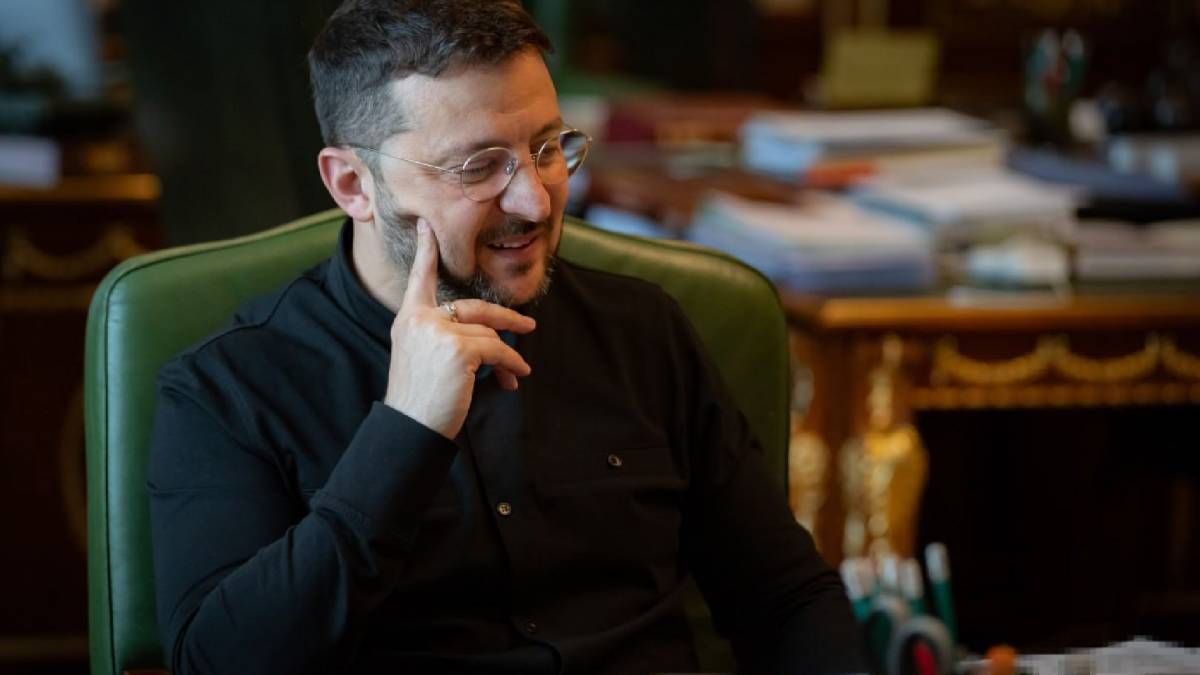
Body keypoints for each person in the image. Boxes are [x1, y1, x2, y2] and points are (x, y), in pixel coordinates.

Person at [147, 1, 866, 673]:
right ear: (353, 185)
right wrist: (404, 431)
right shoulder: (227, 389)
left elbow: (788, 599)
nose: (536, 199)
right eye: (479, 166)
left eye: (547, 147)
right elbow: (219, 659)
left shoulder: (644, 332)